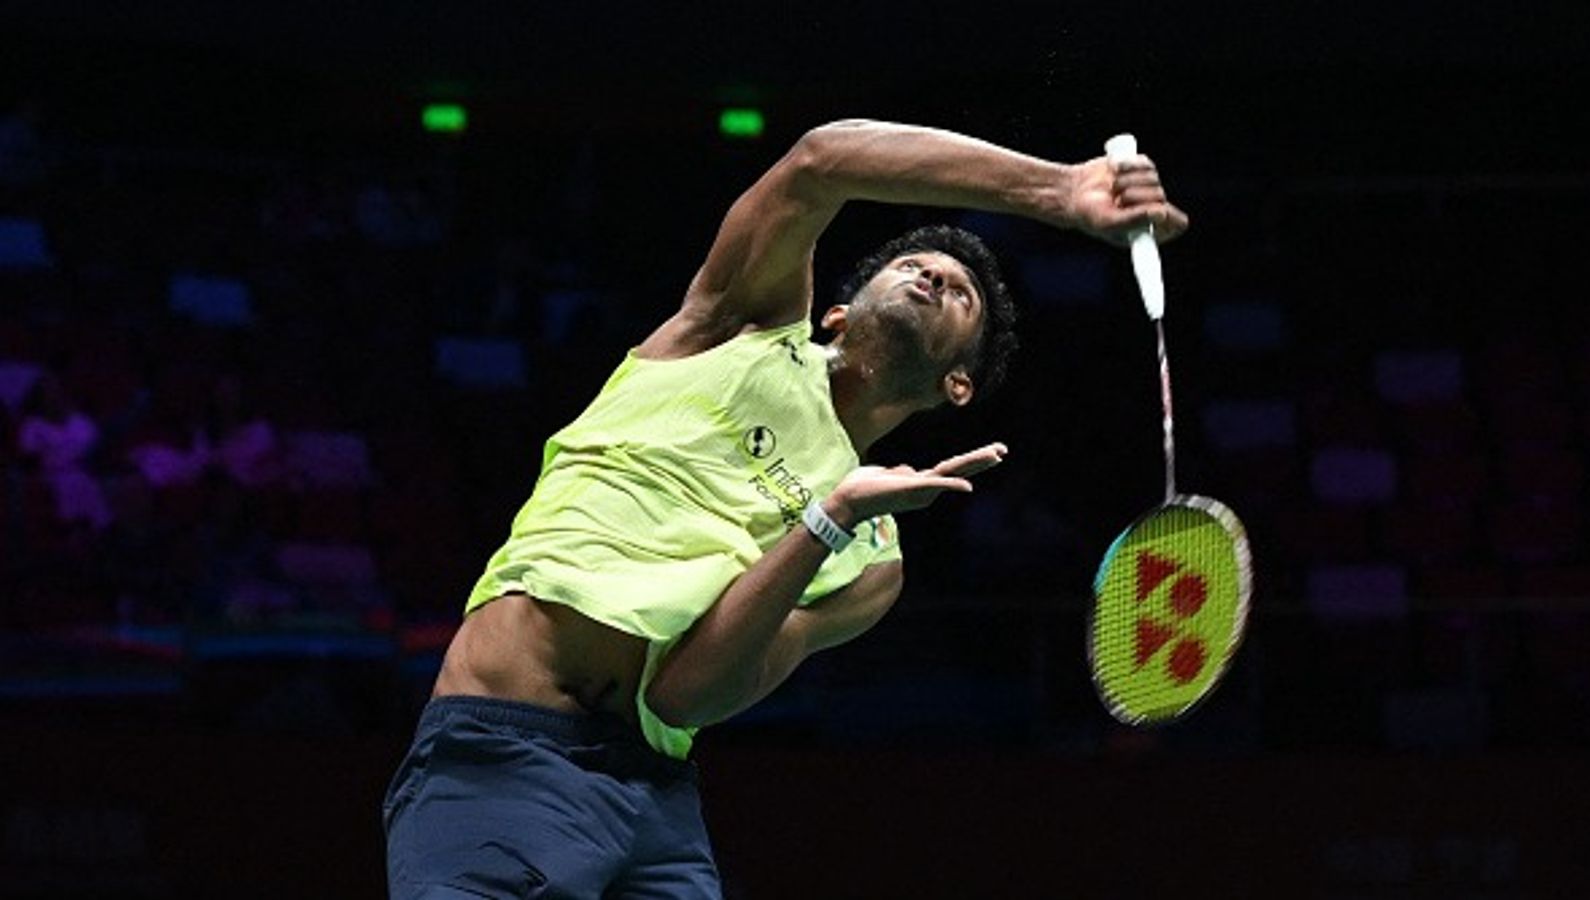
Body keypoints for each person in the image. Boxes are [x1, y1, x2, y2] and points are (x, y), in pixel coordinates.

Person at [383, 119, 1188, 899]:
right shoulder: (740, 331)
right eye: (916, 264)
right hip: (509, 745)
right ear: (837, 314)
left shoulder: (871, 561)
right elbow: (822, 159)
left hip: (656, 800)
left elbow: (684, 697)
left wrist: (826, 520)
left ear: (958, 386)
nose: (937, 276)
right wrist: (1060, 190)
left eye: (963, 296)